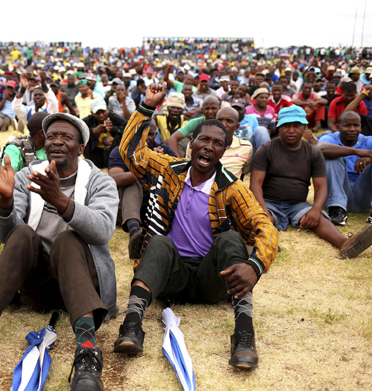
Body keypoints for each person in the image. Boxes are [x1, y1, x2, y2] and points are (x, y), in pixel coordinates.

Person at [0, 112, 118, 391]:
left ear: (81, 147)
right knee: (21, 232)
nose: (57, 141)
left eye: (67, 137)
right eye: (52, 135)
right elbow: (6, 235)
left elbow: (103, 231)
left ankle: (88, 354)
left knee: (68, 239)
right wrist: (5, 203)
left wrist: (62, 202)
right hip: (39, 286)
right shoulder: (26, 177)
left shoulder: (100, 182)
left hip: (84, 286)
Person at [114, 83, 279, 371]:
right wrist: (146, 107)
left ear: (223, 151)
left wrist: (255, 264)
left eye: (218, 144)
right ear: (193, 142)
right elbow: (132, 154)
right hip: (169, 277)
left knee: (231, 241)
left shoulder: (232, 188)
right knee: (158, 242)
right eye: (204, 140)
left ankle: (244, 336)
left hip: (211, 280)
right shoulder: (170, 169)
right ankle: (131, 326)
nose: (209, 147)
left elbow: (264, 227)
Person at [251, 105, 372, 258]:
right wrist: (263, 208)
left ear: (304, 128)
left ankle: (345, 243)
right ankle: (262, 245)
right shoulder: (266, 149)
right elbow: (255, 183)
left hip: (297, 204)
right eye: (286, 126)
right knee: (260, 220)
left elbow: (321, 186)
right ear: (279, 127)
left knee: (319, 219)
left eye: (296, 126)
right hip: (269, 202)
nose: (291, 130)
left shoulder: (313, 152)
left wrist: (316, 210)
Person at [109, 117, 176, 259]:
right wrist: (147, 165)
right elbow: (114, 179)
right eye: (140, 132)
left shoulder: (164, 150)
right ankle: (134, 232)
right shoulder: (121, 151)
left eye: (150, 133)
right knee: (133, 183)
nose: (145, 137)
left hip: (154, 210)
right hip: (126, 208)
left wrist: (163, 163)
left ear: (156, 134)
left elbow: (182, 178)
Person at [318, 111, 372, 226]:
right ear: (338, 127)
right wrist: (357, 151)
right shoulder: (330, 138)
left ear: (361, 127)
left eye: (356, 125)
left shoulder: (369, 140)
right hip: (338, 192)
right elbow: (320, 149)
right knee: (332, 157)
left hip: (363, 195)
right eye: (347, 125)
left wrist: (370, 159)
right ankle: (336, 211)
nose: (352, 129)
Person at [183, 107, 253, 179]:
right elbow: (188, 168)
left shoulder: (246, 147)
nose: (223, 124)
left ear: (237, 127)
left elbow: (245, 172)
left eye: (229, 121)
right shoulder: (197, 144)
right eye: (220, 120)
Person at [82, 97, 127, 168]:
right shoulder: (88, 121)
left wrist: (113, 129)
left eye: (103, 112)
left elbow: (129, 129)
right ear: (92, 113)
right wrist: (92, 131)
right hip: (95, 156)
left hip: (115, 154)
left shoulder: (114, 117)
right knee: (84, 135)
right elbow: (76, 131)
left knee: (119, 135)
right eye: (97, 113)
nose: (101, 115)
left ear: (107, 108)